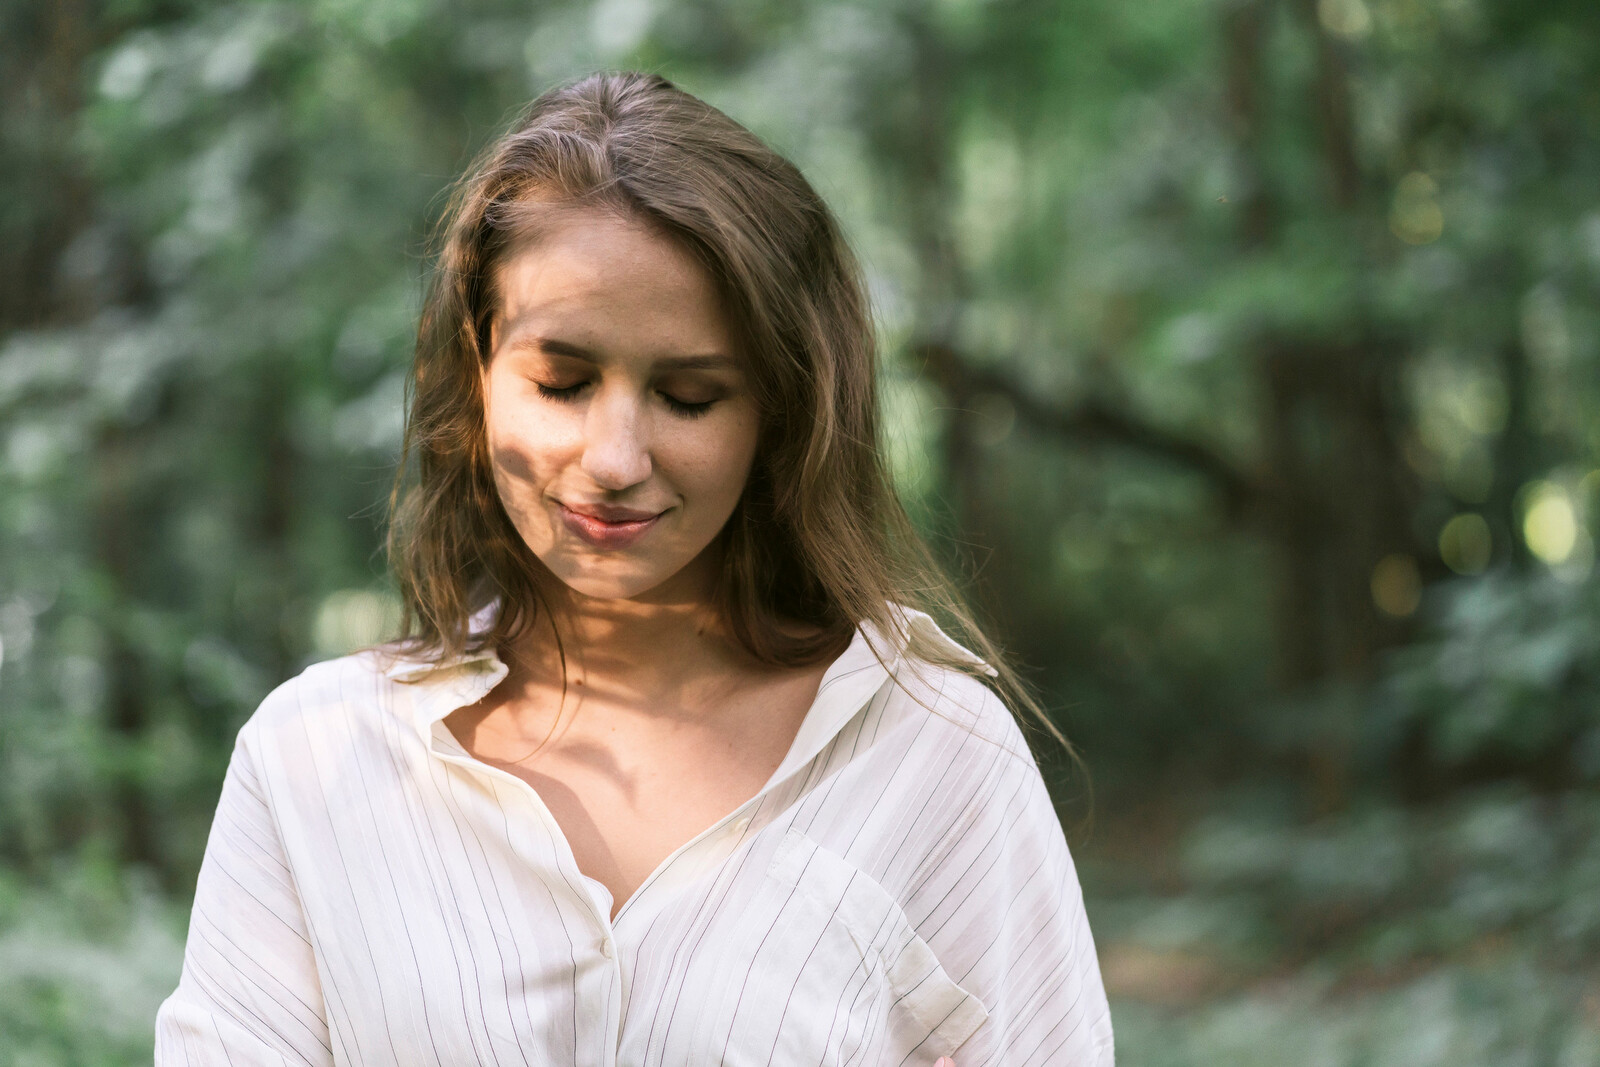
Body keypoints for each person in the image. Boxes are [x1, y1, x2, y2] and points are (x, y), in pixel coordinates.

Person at [154, 71, 1113, 1066]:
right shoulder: (312, 760)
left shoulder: (933, 751)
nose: (614, 460)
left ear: (777, 411)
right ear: (477, 369)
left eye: (690, 397)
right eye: (561, 383)